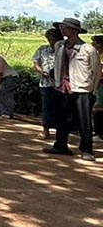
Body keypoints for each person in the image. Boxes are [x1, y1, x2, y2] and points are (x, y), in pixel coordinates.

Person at [45, 17, 101, 161]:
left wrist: (92, 90)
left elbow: (96, 71)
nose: (62, 29)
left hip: (82, 89)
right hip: (62, 87)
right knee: (62, 119)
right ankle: (60, 146)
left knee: (84, 121)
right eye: (61, 27)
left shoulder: (88, 49)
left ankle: (87, 150)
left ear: (75, 30)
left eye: (65, 27)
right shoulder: (59, 46)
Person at [33, 27, 62, 139]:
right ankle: (46, 130)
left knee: (60, 108)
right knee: (47, 107)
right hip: (46, 83)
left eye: (53, 39)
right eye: (49, 39)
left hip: (61, 84)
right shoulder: (42, 49)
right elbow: (36, 62)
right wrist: (41, 71)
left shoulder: (63, 49)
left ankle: (61, 132)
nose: (51, 42)